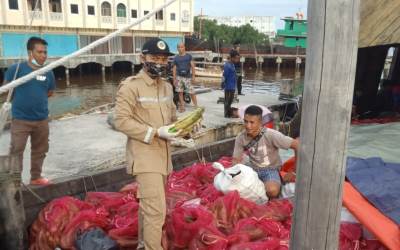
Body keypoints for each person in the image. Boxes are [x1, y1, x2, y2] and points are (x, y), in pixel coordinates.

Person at [114, 38, 180, 250]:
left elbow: (172, 119)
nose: (160, 62)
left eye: (163, 58)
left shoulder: (168, 87)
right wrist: (154, 132)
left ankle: (144, 245)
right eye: (154, 57)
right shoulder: (130, 86)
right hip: (144, 157)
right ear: (142, 58)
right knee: (156, 211)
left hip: (164, 157)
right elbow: (121, 120)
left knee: (149, 209)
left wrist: (183, 131)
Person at [3, 36, 55, 185]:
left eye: (45, 52)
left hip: (42, 119)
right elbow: (7, 89)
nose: (43, 55)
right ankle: (14, 181)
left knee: (40, 149)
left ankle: (36, 177)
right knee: (16, 150)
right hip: (21, 120)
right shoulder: (16, 69)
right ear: (30, 53)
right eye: (39, 52)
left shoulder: (48, 72)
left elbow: (50, 92)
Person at [232, 105, 298, 199]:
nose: (248, 126)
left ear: (260, 123)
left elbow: (297, 145)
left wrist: (294, 172)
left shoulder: (271, 135)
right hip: (252, 169)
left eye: (252, 122)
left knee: (272, 191)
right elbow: (236, 160)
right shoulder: (240, 137)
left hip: (270, 169)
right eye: (246, 121)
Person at [173, 42, 197, 112]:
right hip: (179, 77)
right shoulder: (176, 58)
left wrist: (193, 76)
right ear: (177, 49)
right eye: (179, 47)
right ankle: (182, 107)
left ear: (184, 48)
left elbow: (192, 66)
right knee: (180, 92)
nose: (180, 49)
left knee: (191, 92)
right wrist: (174, 79)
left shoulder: (189, 56)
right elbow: (174, 69)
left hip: (187, 77)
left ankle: (196, 105)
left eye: (181, 47)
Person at [223, 50, 240, 118]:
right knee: (227, 100)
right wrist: (223, 83)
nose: (237, 59)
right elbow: (224, 75)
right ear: (232, 58)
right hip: (228, 86)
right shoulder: (227, 65)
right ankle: (226, 114)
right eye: (236, 58)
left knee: (230, 100)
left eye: (238, 58)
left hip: (232, 85)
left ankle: (228, 112)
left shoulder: (232, 64)